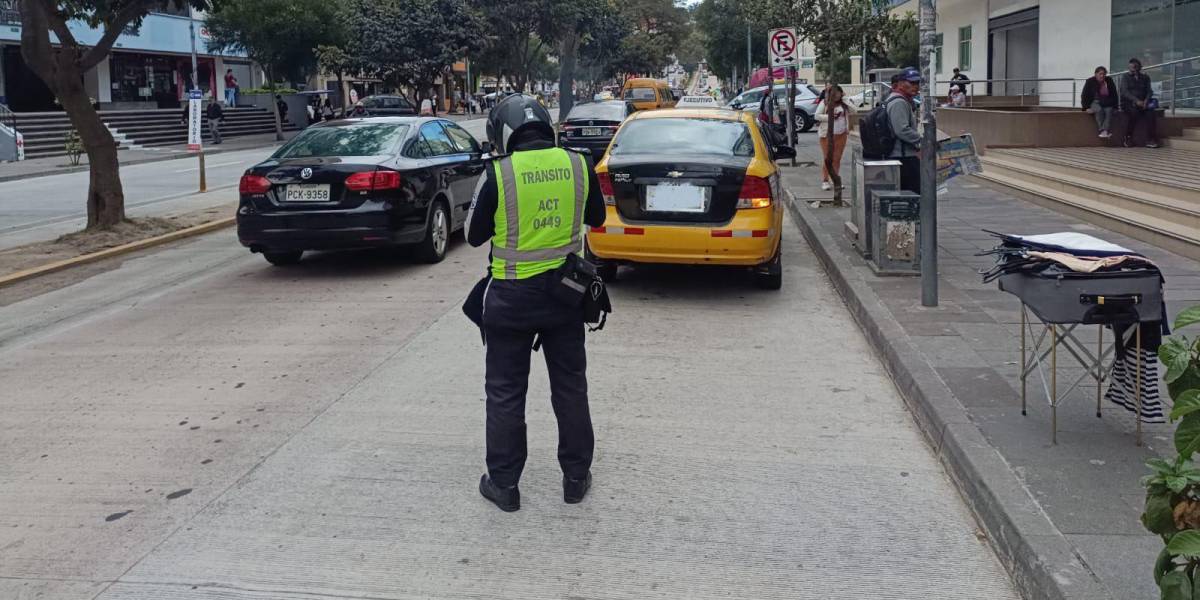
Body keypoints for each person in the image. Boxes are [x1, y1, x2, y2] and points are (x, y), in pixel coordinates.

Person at [464, 94, 606, 513]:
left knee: (506, 393)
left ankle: (505, 485)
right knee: (570, 388)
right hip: (566, 296)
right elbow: (595, 218)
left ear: (503, 135)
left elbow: (473, 234)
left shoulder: (498, 173)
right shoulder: (578, 164)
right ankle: (576, 479)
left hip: (510, 301)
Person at [886, 68, 924, 194]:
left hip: (902, 155)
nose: (915, 86)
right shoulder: (899, 102)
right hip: (903, 157)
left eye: (917, 83)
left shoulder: (900, 99)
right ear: (901, 83)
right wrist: (922, 140)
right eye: (911, 83)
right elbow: (902, 130)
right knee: (913, 195)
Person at [815, 84, 854, 191]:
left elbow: (854, 110)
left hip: (841, 135)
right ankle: (825, 180)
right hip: (827, 135)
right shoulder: (825, 103)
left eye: (838, 92)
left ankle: (835, 179)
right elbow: (817, 115)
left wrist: (845, 98)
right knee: (828, 158)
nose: (836, 95)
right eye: (833, 92)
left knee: (837, 159)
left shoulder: (844, 104)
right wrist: (830, 116)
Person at [1120, 58, 1160, 148]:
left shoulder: (1145, 77)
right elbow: (1125, 92)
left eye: (1136, 67)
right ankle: (1128, 137)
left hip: (1143, 103)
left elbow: (1149, 91)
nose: (1134, 69)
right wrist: (1136, 100)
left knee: (1151, 113)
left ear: (1140, 67)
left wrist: (1146, 100)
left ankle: (1151, 139)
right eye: (1132, 67)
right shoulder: (1125, 77)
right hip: (1129, 103)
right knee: (1134, 113)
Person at [1081, 66, 1118, 138]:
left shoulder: (1109, 80)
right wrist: (1086, 108)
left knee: (1109, 110)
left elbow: (1114, 94)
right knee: (1099, 110)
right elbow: (1084, 95)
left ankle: (1105, 131)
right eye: (1100, 74)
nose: (1102, 76)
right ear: (1096, 74)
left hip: (1107, 102)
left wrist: (1116, 107)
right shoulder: (1090, 81)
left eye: (1104, 74)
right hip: (1094, 102)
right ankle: (1102, 130)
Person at [758, 78, 782, 146]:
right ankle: (772, 140)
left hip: (762, 116)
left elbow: (761, 108)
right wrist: (771, 116)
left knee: (764, 128)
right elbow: (768, 110)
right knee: (770, 128)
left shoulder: (762, 99)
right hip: (767, 116)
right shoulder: (768, 100)